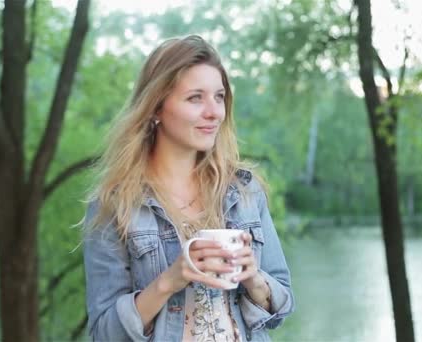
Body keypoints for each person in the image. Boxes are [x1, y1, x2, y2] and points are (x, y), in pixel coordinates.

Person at [82, 35, 295, 342]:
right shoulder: (115, 204)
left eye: (219, 97)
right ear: (156, 107)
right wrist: (170, 280)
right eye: (195, 98)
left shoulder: (244, 191)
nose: (214, 112)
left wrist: (253, 279)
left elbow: (282, 306)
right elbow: (104, 334)